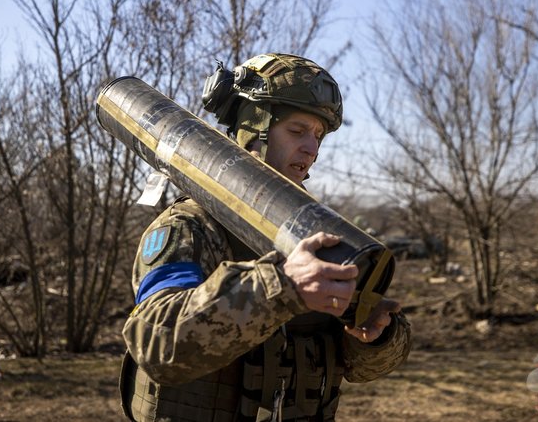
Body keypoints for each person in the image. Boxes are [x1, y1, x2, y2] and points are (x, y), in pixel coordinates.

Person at [120, 53, 411, 421]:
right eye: (296, 131)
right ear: (253, 128)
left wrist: (375, 336)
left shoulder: (312, 233)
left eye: (318, 136)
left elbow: (361, 369)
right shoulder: (190, 227)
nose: (311, 148)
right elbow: (157, 343)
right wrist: (283, 285)